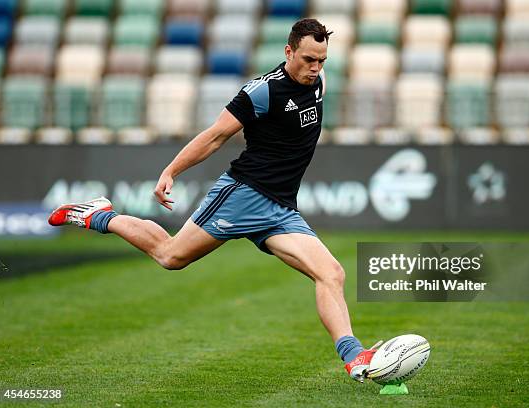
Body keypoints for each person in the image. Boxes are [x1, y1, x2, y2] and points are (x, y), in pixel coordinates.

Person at [48, 18, 381, 382]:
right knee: (170, 256)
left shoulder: (319, 84)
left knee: (331, 273)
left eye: (321, 60)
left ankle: (354, 358)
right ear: (288, 52)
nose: (315, 68)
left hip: (281, 209)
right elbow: (214, 136)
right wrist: (171, 171)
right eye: (308, 59)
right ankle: (99, 215)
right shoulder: (262, 92)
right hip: (243, 195)